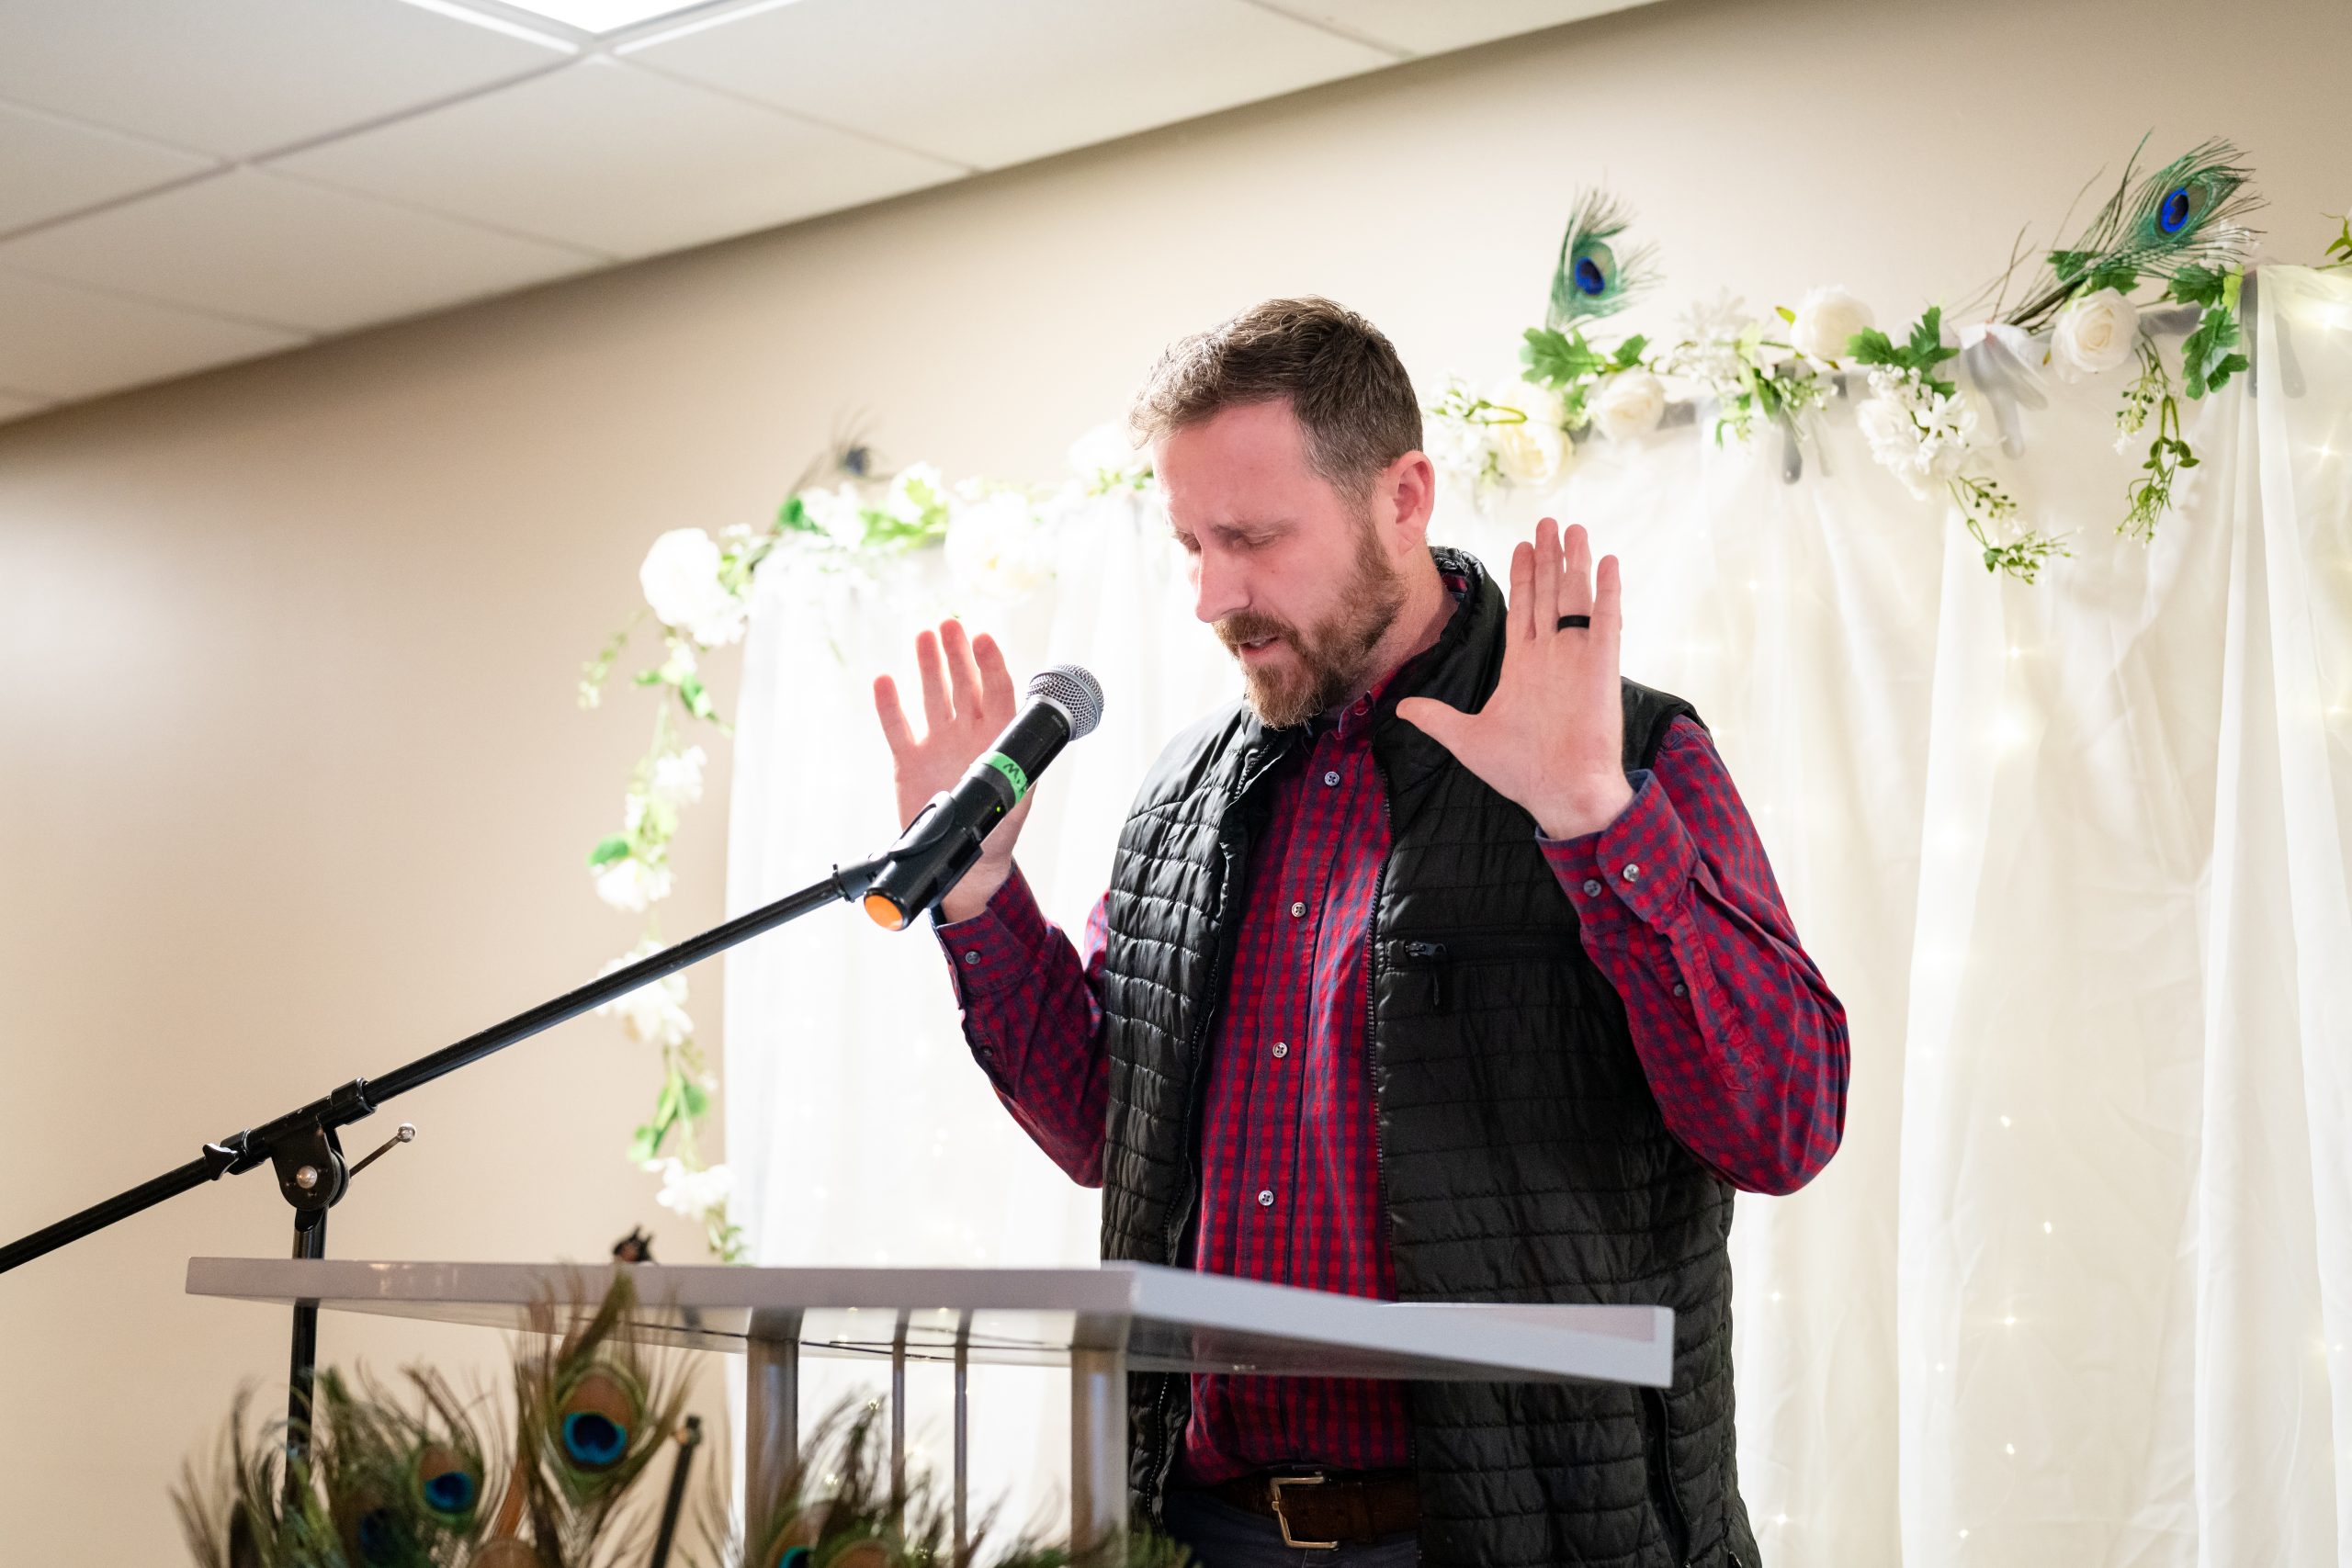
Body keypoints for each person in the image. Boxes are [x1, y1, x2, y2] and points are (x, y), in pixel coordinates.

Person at [871, 298, 1848, 1567]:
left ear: (1403, 498)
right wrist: (981, 891)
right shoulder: (1176, 797)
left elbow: (1782, 1125)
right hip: (1205, 1530)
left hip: (1524, 1545)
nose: (1213, 595)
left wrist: (1597, 822)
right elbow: (1108, 1132)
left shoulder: (1626, 751)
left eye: (1253, 539)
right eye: (1191, 545)